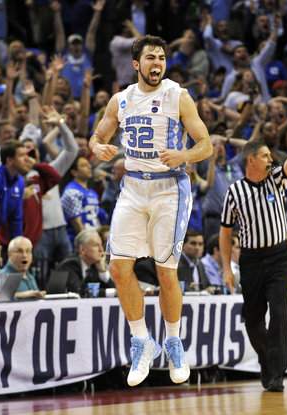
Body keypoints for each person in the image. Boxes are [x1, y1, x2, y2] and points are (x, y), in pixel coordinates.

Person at [89, 35, 212, 386]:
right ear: (136, 64)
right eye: (150, 58)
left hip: (169, 188)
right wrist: (98, 147)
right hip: (133, 187)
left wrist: (185, 156)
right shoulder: (121, 100)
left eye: (161, 57)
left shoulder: (178, 96)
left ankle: (174, 341)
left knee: (165, 271)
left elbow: (205, 144)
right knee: (117, 267)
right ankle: (142, 340)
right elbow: (96, 138)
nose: (157, 63)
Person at [219, 112, 287, 392]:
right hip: (250, 260)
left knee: (279, 312)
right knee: (252, 319)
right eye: (265, 156)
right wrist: (228, 267)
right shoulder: (234, 192)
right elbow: (225, 232)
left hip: (278, 256)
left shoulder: (277, 179)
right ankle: (267, 359)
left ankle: (277, 373)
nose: (270, 159)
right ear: (251, 159)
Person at [55, 229, 115, 296]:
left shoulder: (94, 266)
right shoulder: (69, 265)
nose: (101, 249)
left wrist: (102, 272)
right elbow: (79, 292)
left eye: (101, 245)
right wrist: (111, 292)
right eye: (96, 245)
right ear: (82, 250)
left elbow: (114, 289)